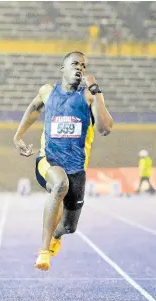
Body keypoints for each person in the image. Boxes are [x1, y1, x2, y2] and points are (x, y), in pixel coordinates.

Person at [13, 51, 113, 271]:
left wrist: (97, 92)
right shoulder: (48, 91)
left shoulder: (88, 96)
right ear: (63, 68)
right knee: (60, 184)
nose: (80, 68)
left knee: (69, 227)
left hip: (77, 168)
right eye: (75, 64)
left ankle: (56, 236)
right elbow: (33, 108)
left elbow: (104, 128)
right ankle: (43, 251)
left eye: (83, 66)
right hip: (48, 161)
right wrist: (18, 136)